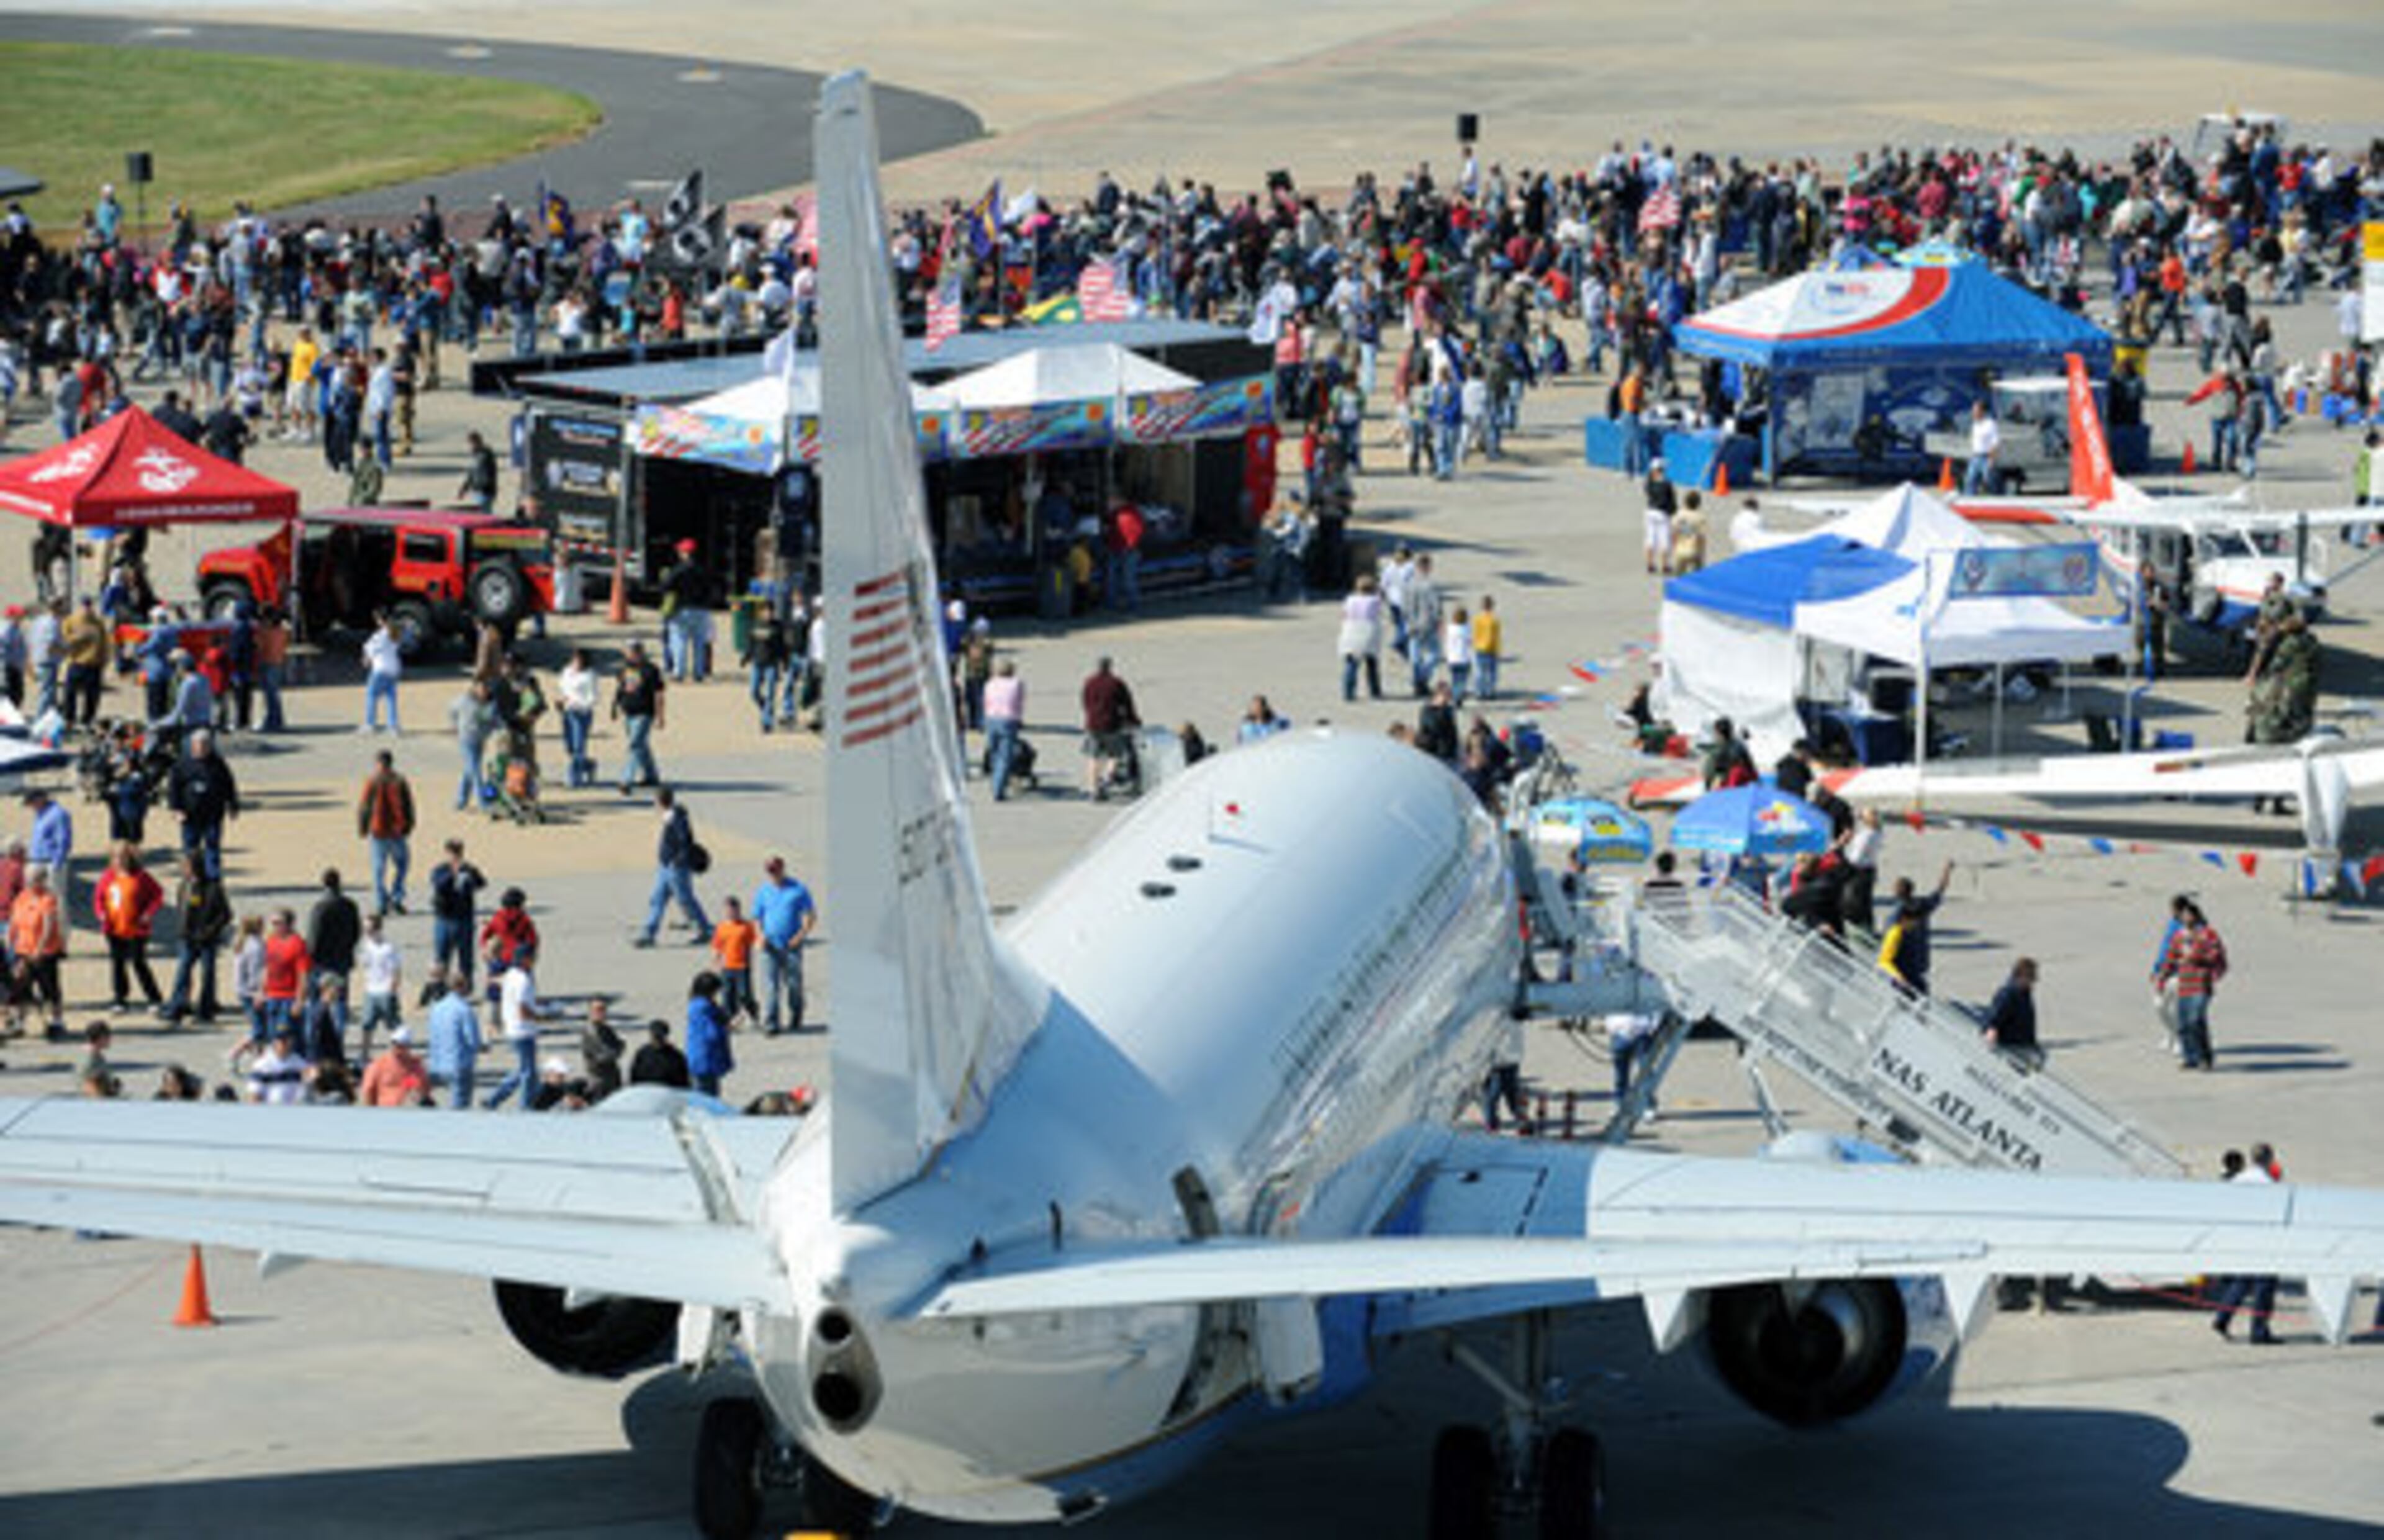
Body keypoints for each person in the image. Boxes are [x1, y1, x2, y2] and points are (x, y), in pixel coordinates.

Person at [2211, 1142, 2280, 1343]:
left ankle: (2222, 1318)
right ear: (2269, 1159)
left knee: (2241, 1282)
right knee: (2264, 1286)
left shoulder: (2240, 1179)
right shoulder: (2268, 1183)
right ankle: (2259, 1332)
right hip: (2263, 1240)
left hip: (2241, 1238)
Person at [2156, 899, 2229, 1071]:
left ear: (2197, 916)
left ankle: (2205, 1057)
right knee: (2184, 1023)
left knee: (2196, 1020)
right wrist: (2162, 976)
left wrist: (2195, 957)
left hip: (2201, 983)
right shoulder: (2179, 936)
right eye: (2184, 915)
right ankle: (2190, 1057)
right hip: (2185, 985)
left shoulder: (2207, 934)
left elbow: (2215, 954)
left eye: (2190, 915)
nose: (2187, 918)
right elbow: (2170, 958)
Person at [93, 842, 165, 1012]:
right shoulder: (108, 877)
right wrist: (101, 914)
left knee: (139, 962)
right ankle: (120, 998)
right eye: (116, 857)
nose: (119, 861)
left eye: (123, 857)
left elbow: (158, 895)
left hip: (136, 928)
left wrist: (148, 914)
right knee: (118, 964)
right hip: (114, 928)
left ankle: (154, 997)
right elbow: (99, 898)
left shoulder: (141, 876)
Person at [160, 850, 230, 1025]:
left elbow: (225, 914)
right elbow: (182, 910)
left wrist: (210, 931)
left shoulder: (213, 887)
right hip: (187, 938)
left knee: (208, 974)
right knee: (183, 972)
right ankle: (177, 1006)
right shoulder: (184, 886)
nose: (184, 870)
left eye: (187, 866)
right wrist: (183, 931)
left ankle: (206, 1010)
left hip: (207, 939)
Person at [751, 853, 818, 1035]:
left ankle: (797, 1012)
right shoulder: (763, 891)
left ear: (782, 869)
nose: (772, 875)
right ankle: (772, 1022)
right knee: (770, 986)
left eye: (775, 871)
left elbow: (810, 916)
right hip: (769, 946)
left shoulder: (798, 890)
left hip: (791, 946)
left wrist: (801, 935)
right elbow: (756, 917)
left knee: (794, 984)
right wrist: (760, 935)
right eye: (769, 872)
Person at [635, 786, 710, 946]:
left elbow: (685, 842)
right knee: (658, 899)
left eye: (655, 802)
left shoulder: (677, 818)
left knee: (685, 900)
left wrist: (677, 861)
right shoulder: (670, 816)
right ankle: (648, 933)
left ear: (661, 802)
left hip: (676, 868)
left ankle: (705, 930)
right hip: (666, 867)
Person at [165, 727, 239, 880]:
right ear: (192, 746)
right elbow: (174, 789)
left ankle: (213, 876)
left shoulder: (218, 764)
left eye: (205, 745)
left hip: (213, 813)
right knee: (190, 847)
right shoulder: (182, 765)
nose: (201, 749)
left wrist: (233, 806)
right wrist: (176, 809)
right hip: (190, 815)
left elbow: (228, 785)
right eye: (198, 745)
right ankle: (191, 875)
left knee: (212, 846)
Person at [482, 948, 549, 1110]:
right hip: (523, 1031)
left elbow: (498, 980)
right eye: (533, 957)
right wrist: (542, 1017)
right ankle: (525, 1107)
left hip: (513, 1029)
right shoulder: (523, 980)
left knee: (523, 1070)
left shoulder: (511, 975)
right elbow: (523, 1011)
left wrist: (491, 980)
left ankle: (494, 1099)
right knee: (528, 1073)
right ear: (525, 959)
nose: (535, 960)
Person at [306, 869, 361, 1063]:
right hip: (342, 960)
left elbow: (313, 937)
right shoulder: (349, 906)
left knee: (317, 1003)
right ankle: (338, 1042)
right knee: (340, 1004)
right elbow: (356, 932)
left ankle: (314, 1043)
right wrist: (347, 949)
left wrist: (311, 959)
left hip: (321, 961)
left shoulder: (320, 907)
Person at [1876, 861, 1954, 995]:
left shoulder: (1895, 917)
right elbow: (1940, 890)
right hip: (1919, 965)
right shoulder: (1922, 905)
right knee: (1921, 1001)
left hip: (1902, 970)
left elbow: (1886, 947)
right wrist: (1947, 871)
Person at [7, 863, 66, 1040]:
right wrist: (11, 939)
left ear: (42, 880)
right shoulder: (22, 897)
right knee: (20, 987)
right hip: (23, 950)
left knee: (49, 988)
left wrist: (39, 950)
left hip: (45, 952)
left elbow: (48, 927)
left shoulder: (48, 899)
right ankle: (19, 1021)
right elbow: (15, 920)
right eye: (28, 880)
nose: (30, 883)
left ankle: (56, 1021)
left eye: (34, 880)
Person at [356, 749, 416, 916]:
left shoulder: (372, 781)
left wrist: (362, 827)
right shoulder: (400, 780)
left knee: (379, 869)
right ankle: (396, 897)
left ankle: (382, 902)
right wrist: (409, 825)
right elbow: (409, 804)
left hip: (378, 831)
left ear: (378, 763)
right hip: (397, 830)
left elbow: (365, 807)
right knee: (402, 865)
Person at [1079, 655, 1140, 800]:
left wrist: (1090, 715)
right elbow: (1127, 704)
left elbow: (1085, 702)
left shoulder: (1089, 683)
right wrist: (1133, 720)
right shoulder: (1117, 683)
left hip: (1093, 724)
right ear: (1110, 667)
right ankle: (1106, 781)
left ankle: (1094, 789)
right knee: (1115, 755)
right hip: (1112, 724)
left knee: (1094, 757)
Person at [428, 839, 487, 988]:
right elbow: (438, 884)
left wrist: (470, 875)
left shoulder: (468, 869)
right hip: (444, 919)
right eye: (452, 853)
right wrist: (453, 874)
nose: (455, 856)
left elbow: (482, 883)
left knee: (466, 957)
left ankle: (466, 986)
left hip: (464, 919)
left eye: (458, 852)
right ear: (447, 853)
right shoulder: (440, 870)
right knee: (442, 956)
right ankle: (440, 986)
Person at [613, 640, 666, 792]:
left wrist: (660, 716)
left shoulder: (651, 670)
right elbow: (621, 690)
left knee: (635, 745)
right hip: (629, 713)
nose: (627, 655)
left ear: (638, 652)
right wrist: (616, 707)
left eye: (630, 652)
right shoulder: (625, 669)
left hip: (645, 713)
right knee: (642, 745)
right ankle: (652, 775)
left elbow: (659, 693)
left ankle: (626, 780)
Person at [425, 972, 482, 1111]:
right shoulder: (465, 1010)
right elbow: (473, 1040)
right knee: (459, 1111)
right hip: (458, 1064)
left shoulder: (436, 1008)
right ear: (463, 987)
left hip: (436, 1064)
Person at [1980, 957, 2044, 1069]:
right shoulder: (2008, 994)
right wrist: (1991, 1029)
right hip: (2012, 1047)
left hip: (2024, 1044)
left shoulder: (2024, 993)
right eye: (2032, 978)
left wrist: (2033, 1044)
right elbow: (1994, 1016)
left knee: (2040, 1060)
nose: (2034, 982)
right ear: (2022, 976)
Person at [356, 912, 403, 1061]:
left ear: (378, 929)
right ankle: (364, 1054)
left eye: (369, 930)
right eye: (365, 930)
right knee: (367, 1024)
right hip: (371, 990)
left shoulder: (388, 949)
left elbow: (396, 971)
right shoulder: (366, 946)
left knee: (393, 1026)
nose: (367, 934)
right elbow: (364, 966)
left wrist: (392, 992)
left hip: (385, 990)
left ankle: (398, 1053)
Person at [684, 971, 734, 1098]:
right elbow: (712, 1034)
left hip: (699, 1058)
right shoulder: (704, 1008)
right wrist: (727, 1028)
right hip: (705, 1060)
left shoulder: (696, 1005)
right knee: (707, 1098)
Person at [983, 658, 1026, 802]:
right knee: (1005, 755)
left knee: (994, 752)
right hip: (1008, 719)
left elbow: (986, 702)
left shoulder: (989, 684)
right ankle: (998, 788)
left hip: (991, 718)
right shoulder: (1017, 684)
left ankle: (997, 781)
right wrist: (1019, 719)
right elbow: (1019, 703)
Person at [711, 896, 759, 1025]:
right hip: (727, 966)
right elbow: (717, 945)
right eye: (728, 911)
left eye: (734, 910)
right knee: (727, 995)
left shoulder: (746, 926)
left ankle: (753, 1015)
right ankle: (730, 1020)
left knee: (745, 994)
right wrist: (716, 961)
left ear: (739, 910)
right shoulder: (721, 927)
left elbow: (754, 941)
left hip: (743, 966)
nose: (731, 913)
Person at [556, 646, 599, 788]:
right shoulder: (567, 672)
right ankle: (588, 765)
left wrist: (578, 704)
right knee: (569, 746)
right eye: (575, 659)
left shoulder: (590, 675)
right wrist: (562, 701)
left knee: (578, 747)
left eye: (579, 660)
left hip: (582, 713)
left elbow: (593, 698)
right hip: (568, 712)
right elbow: (563, 689)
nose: (576, 662)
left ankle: (573, 777)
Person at [1337, 574, 1384, 700]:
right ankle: (1375, 690)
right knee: (1372, 663)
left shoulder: (1350, 599)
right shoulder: (1375, 600)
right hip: (1368, 631)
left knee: (1351, 663)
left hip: (1351, 630)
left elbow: (1344, 614)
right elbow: (1379, 612)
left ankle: (1348, 692)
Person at [358, 1025, 430, 1107]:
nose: (399, 1050)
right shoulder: (378, 1066)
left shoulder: (415, 1068)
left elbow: (423, 1090)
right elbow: (368, 1092)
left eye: (403, 1046)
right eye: (396, 1045)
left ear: (408, 1047)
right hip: (383, 1112)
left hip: (408, 1113)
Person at [360, 613, 404, 733]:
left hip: (380, 669)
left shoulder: (380, 635)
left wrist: (367, 658)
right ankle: (393, 725)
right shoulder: (395, 633)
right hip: (393, 669)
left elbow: (371, 648)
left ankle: (370, 724)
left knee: (372, 695)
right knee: (391, 698)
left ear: (381, 620)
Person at [246, 1027, 310, 1105]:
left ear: (292, 1041)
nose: (283, 1043)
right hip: (269, 1111)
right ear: (274, 1041)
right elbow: (254, 1097)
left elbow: (308, 1091)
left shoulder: (301, 1063)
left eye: (286, 1039)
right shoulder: (261, 1065)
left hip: (295, 1111)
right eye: (280, 1039)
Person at [579, 997, 626, 1101]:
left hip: (612, 1079)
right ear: (590, 1012)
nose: (601, 1013)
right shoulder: (590, 1032)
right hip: (599, 1082)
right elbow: (600, 1057)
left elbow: (619, 1045)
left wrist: (618, 1049)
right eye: (597, 1010)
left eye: (603, 1009)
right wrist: (616, 1051)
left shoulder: (607, 1029)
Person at [629, 1018, 691, 1089]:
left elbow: (683, 1084)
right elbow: (634, 1080)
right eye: (656, 1037)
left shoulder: (676, 1058)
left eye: (660, 1037)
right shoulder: (642, 1054)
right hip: (646, 1096)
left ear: (666, 1036)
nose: (658, 1040)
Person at [1641, 458, 1677, 575]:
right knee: (1664, 540)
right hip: (1662, 513)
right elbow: (1671, 501)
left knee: (1650, 538)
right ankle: (1665, 565)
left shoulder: (1649, 483)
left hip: (1650, 511)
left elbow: (1647, 491)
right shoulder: (1666, 484)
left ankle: (1650, 564)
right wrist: (1674, 512)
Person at [1962, 399, 2001, 495]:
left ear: (1982, 412)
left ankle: (1995, 501)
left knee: (1989, 481)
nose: (1973, 413)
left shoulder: (1990, 424)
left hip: (1986, 457)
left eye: (1976, 411)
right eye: (1973, 411)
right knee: (1970, 480)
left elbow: (1995, 443)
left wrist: (1992, 459)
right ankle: (1969, 501)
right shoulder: (1975, 425)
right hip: (1975, 457)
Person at [459, 429, 499, 513]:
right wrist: (464, 489)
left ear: (479, 442)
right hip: (477, 491)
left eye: (472, 443)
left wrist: (485, 487)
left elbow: (491, 474)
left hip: (486, 492)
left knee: (484, 515)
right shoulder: (475, 456)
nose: (471, 446)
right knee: (480, 514)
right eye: (470, 444)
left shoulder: (487, 455)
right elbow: (471, 474)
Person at [1470, 595, 1502, 701]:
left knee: (1480, 672)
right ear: (1492, 607)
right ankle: (1490, 691)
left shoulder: (1477, 619)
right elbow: (1496, 636)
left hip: (1480, 648)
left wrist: (1474, 646)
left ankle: (1479, 692)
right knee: (1492, 673)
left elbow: (1475, 634)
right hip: (1491, 649)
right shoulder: (1494, 620)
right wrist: (1498, 650)